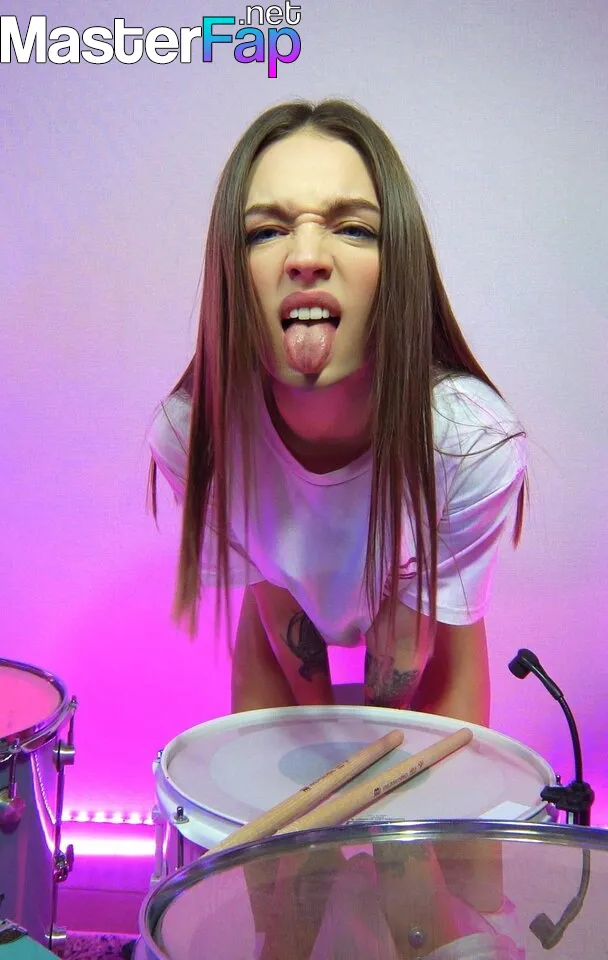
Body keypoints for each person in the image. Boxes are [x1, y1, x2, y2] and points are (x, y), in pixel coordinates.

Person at [148, 98, 527, 728]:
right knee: (270, 790)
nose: (306, 257)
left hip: (432, 636)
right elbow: (274, 597)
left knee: (424, 788)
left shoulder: (471, 444)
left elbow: (411, 646)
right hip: (274, 629)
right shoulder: (193, 435)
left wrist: (363, 764)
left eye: (353, 228)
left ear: (398, 265)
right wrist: (321, 739)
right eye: (265, 232)